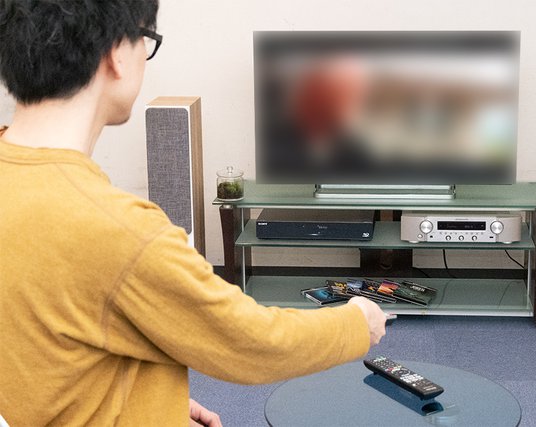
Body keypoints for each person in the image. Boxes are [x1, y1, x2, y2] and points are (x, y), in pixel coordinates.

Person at [0, 1, 387, 426]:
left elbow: (45, 343)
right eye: (146, 40)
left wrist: (151, 402)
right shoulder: (119, 231)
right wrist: (356, 322)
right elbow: (250, 343)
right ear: (116, 53)